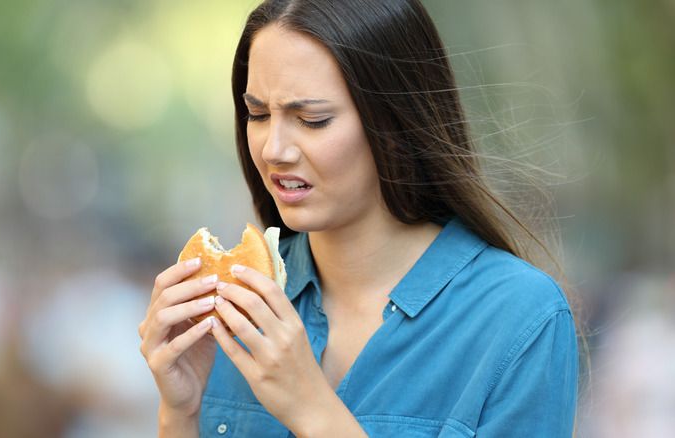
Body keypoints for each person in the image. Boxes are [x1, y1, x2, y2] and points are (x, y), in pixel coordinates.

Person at [139, 0, 579, 436]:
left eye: (312, 119)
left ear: (395, 123)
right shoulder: (230, 306)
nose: (274, 149)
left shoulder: (520, 317)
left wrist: (313, 411)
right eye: (257, 114)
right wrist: (178, 414)